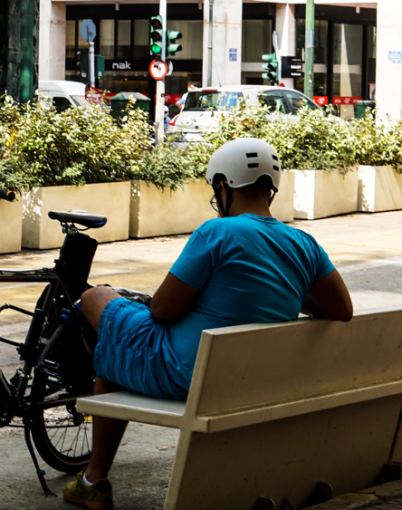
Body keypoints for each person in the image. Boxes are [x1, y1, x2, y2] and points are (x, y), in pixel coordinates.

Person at [63, 137, 353, 510]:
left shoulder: (216, 233)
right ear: (271, 189)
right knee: (118, 344)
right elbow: (340, 309)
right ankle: (93, 476)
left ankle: (92, 480)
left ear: (223, 185)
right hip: (253, 378)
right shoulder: (304, 244)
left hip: (187, 373)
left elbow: (163, 310)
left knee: (97, 301)